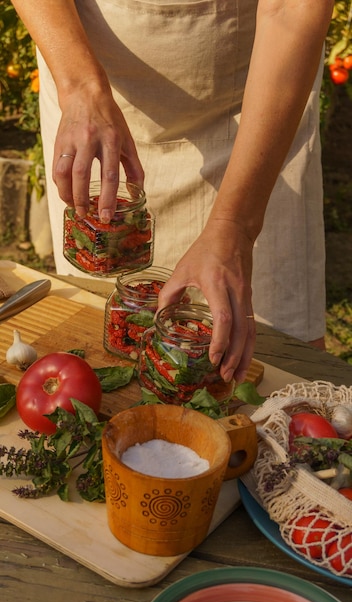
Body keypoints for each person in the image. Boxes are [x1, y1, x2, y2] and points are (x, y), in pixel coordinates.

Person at [12, 0, 334, 384]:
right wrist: (79, 85)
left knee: (280, 367)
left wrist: (237, 226)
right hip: (85, 79)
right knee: (97, 353)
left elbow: (292, 8)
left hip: (257, 106)